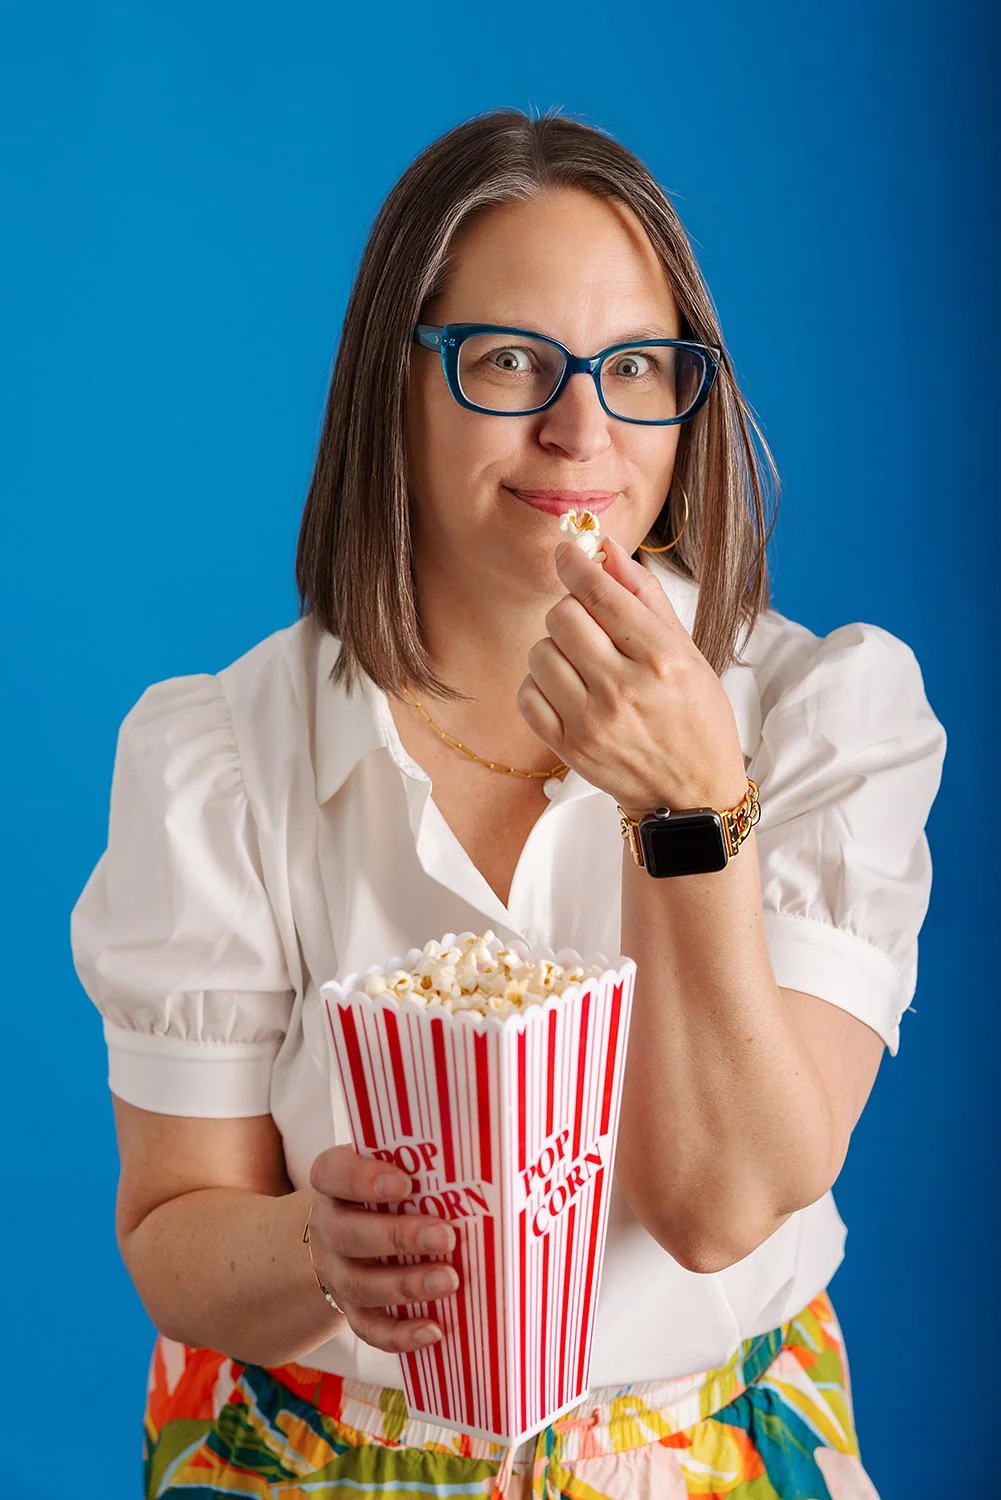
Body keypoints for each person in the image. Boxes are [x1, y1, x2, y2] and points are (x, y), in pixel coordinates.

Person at [71, 108, 946, 1499]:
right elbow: (172, 1231)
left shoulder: (821, 716)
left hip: (706, 1456)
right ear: (393, 389)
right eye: (507, 361)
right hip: (307, 1457)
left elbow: (718, 1210)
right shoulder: (225, 756)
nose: (580, 428)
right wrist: (316, 1248)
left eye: (637, 367)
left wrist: (691, 807)